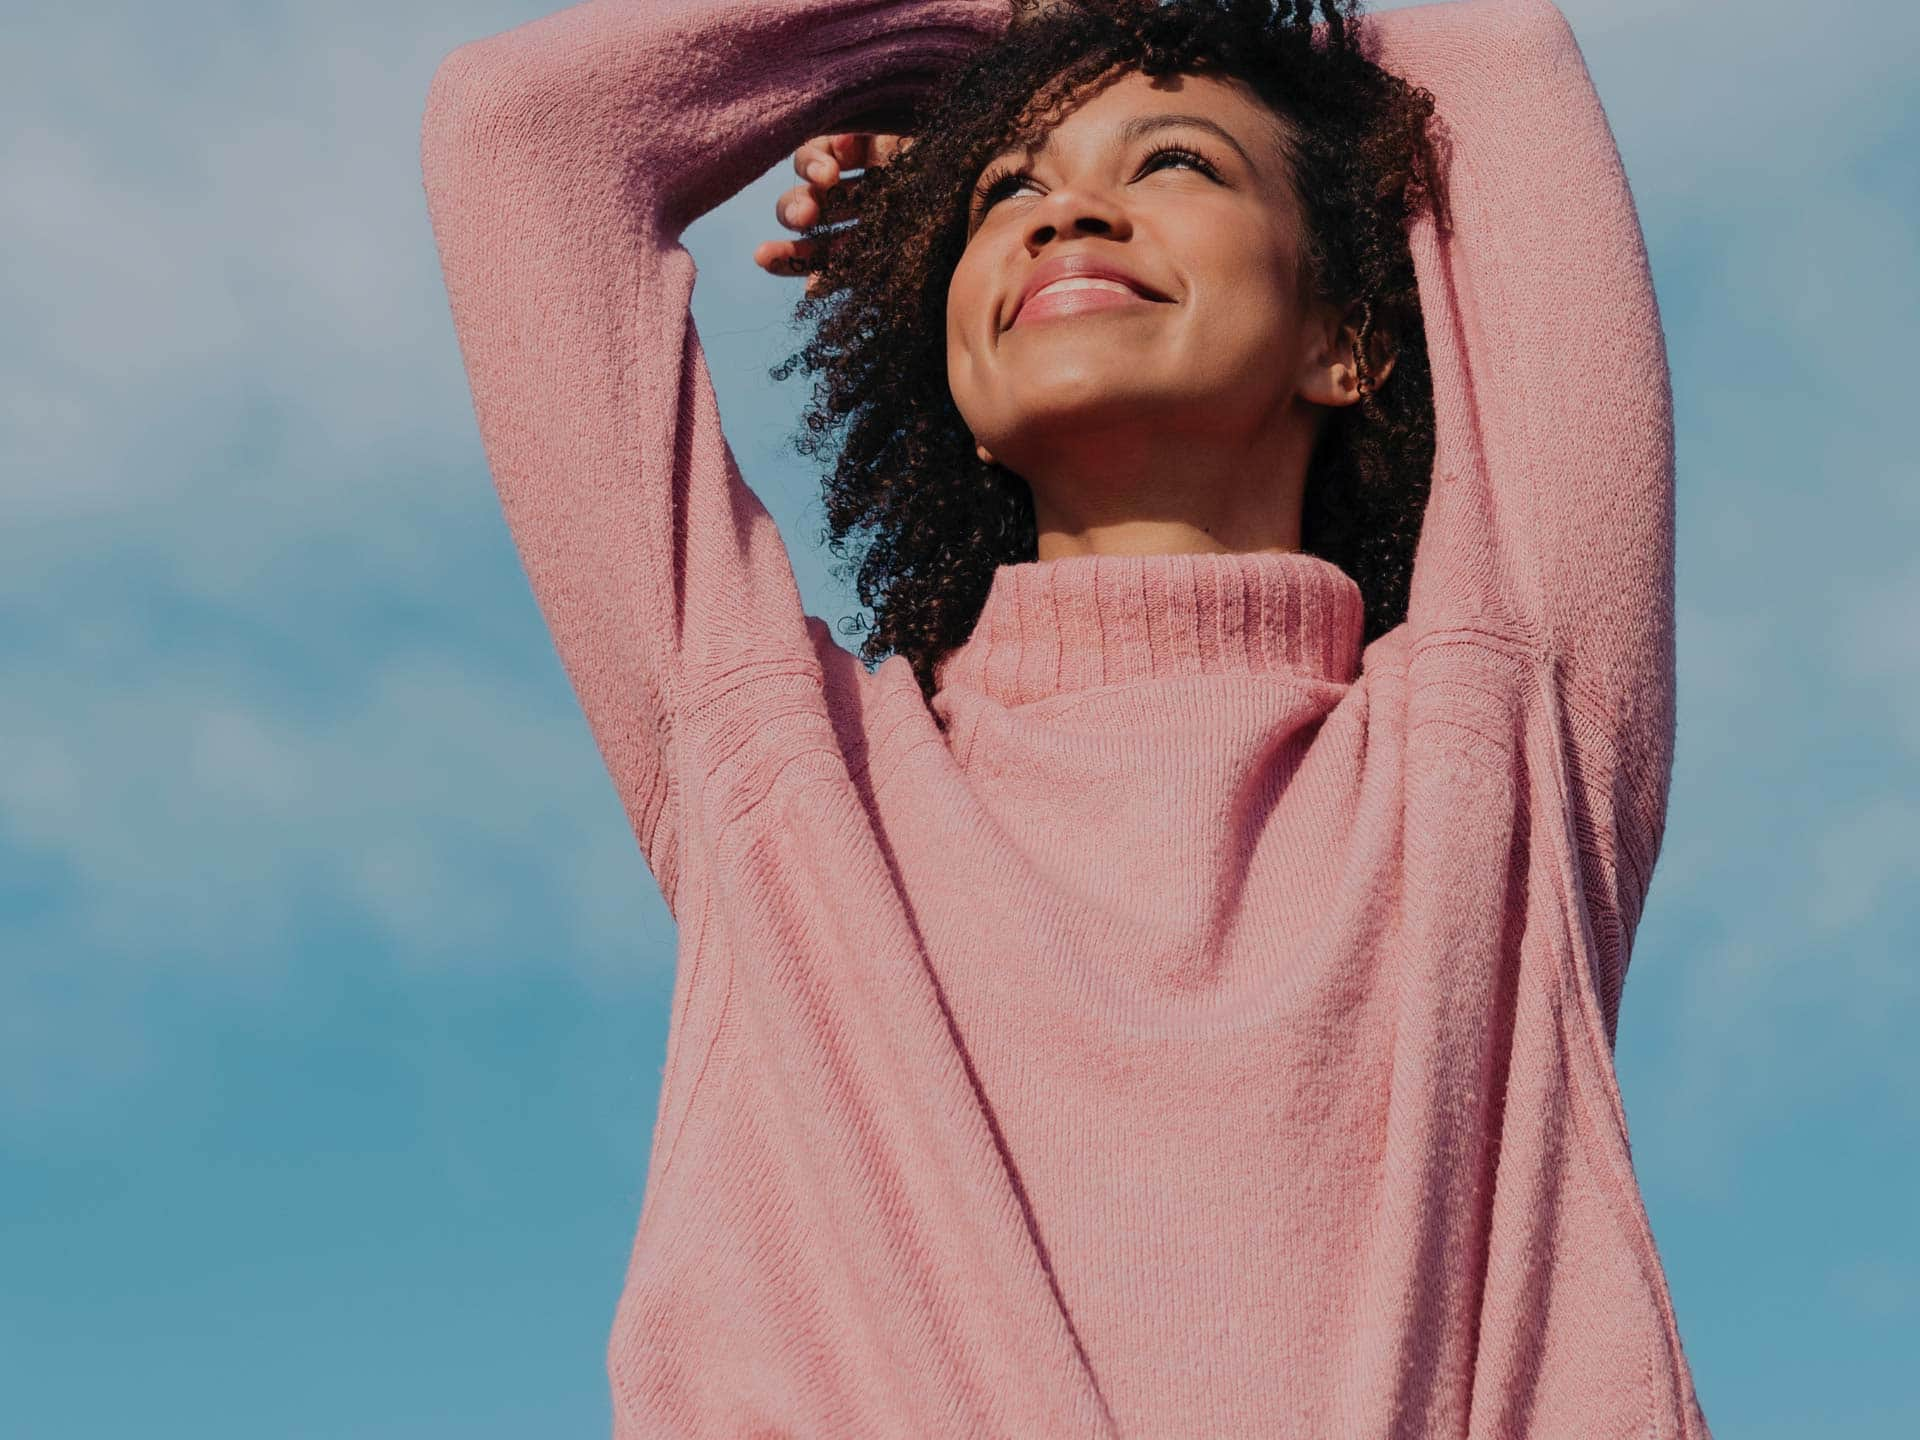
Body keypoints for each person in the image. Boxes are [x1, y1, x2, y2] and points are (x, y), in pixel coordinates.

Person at [420, 0, 1711, 1434]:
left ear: (1346, 337)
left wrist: (1142, 23)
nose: (1066, 210)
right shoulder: (790, 781)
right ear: (960, 385)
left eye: (1174, 163)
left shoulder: (1500, 740)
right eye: (1003, 191)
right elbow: (521, 134)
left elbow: (1492, 46)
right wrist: (965, 31)